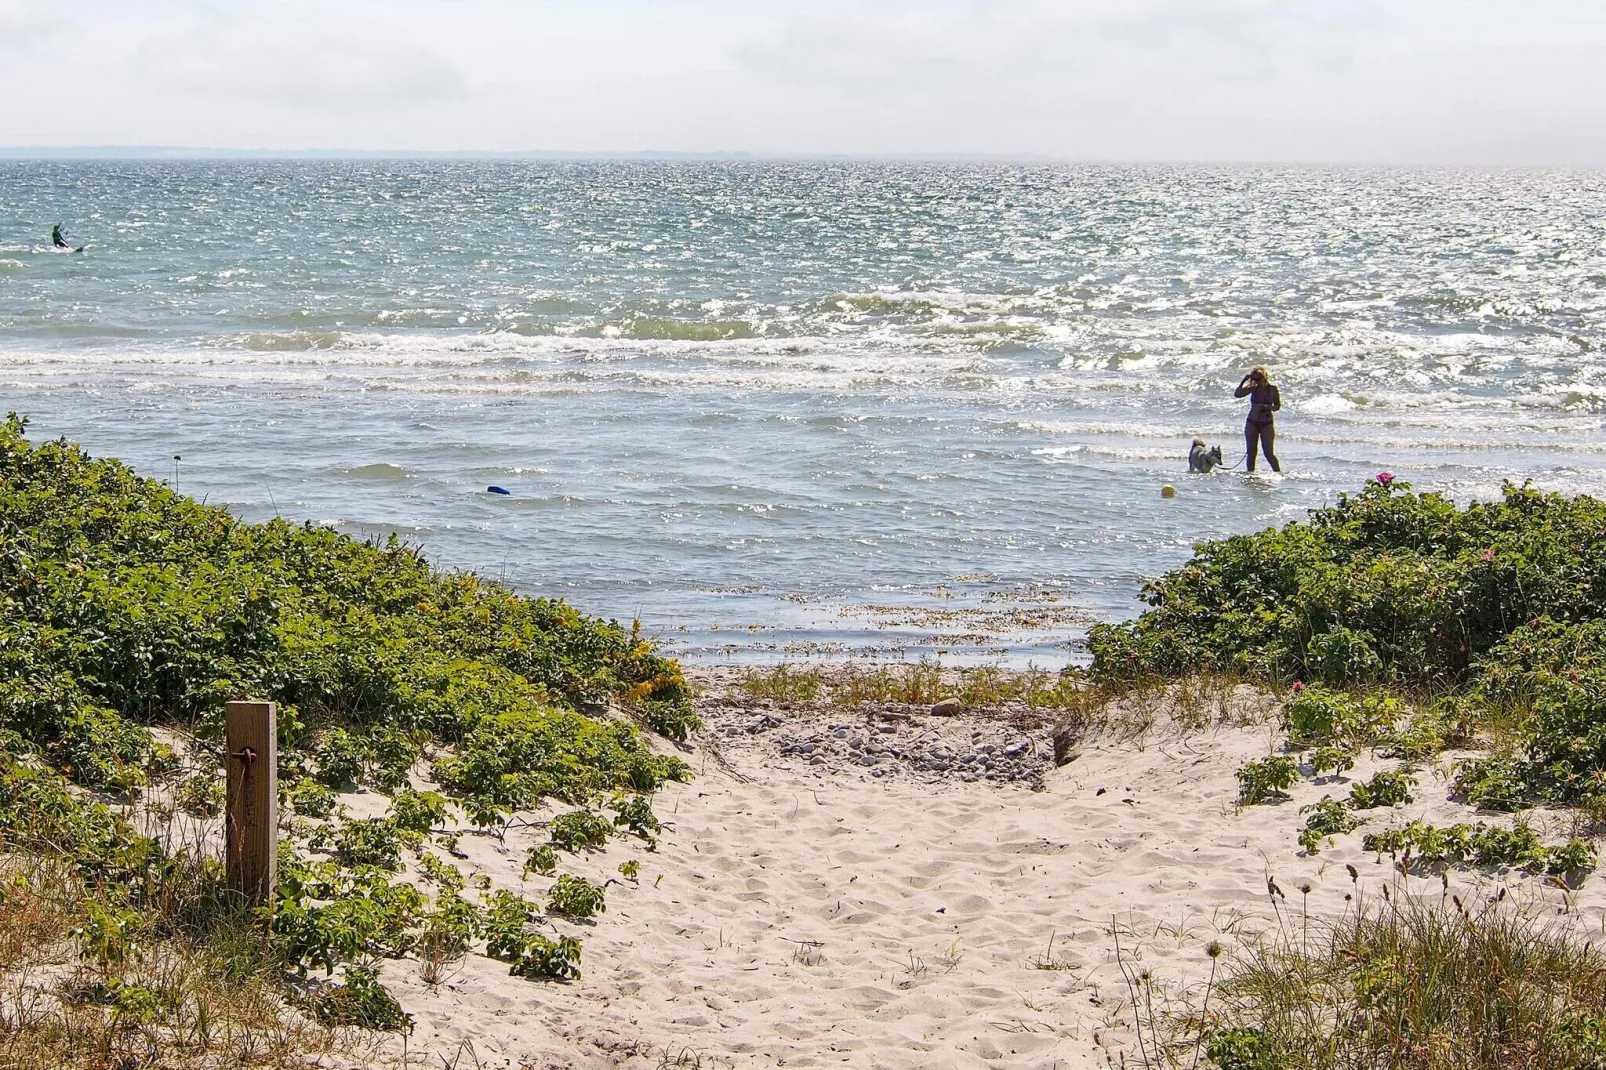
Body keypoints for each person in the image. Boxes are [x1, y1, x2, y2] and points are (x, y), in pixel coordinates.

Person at [1234, 366, 1281, 473]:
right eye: (1254, 379)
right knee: (1251, 452)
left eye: (1258, 379)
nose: (1257, 382)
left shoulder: (1272, 389)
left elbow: (1277, 406)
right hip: (1252, 422)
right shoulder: (1253, 388)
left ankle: (1278, 473)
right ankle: (1250, 475)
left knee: (1268, 453)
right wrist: (1244, 381)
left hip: (1266, 423)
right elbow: (1237, 394)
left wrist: (1268, 407)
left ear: (1264, 378)